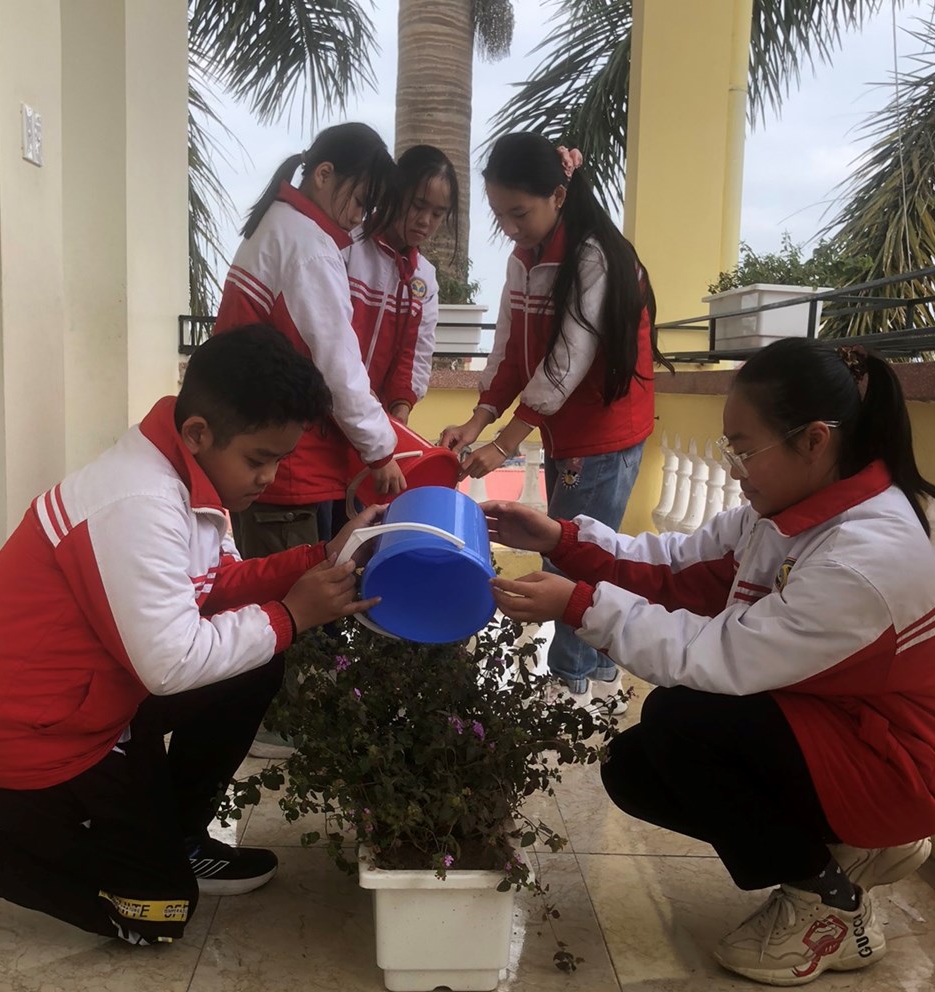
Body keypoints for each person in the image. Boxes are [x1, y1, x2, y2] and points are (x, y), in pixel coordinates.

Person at [0, 325, 386, 951]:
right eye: (258, 459)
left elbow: (213, 587)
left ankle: (176, 838)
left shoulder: (189, 477)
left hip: (90, 707)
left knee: (254, 664)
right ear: (199, 433)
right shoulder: (137, 500)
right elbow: (172, 662)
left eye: (279, 460)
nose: (269, 477)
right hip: (26, 747)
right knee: (154, 911)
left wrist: (321, 556)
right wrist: (292, 616)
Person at [483, 338, 935, 986]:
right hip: (849, 724)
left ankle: (828, 902)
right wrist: (562, 539)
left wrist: (579, 606)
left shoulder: (862, 558)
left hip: (909, 770)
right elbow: (675, 565)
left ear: (814, 441)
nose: (736, 468)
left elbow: (719, 657)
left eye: (744, 449)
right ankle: (849, 849)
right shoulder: (786, 513)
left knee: (684, 720)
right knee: (634, 766)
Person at [439, 132, 666, 714]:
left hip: (604, 436)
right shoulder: (526, 258)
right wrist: (477, 420)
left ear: (558, 196)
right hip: (568, 433)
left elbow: (565, 363)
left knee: (572, 556)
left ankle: (571, 680)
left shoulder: (595, 257)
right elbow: (511, 351)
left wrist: (503, 445)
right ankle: (600, 669)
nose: (509, 227)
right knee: (581, 549)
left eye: (519, 213)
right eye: (500, 215)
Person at [214, 122, 408, 557]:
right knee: (298, 594)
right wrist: (381, 452)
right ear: (324, 174)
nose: (359, 218)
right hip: (288, 466)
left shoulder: (280, 226)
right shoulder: (309, 247)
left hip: (263, 454)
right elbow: (338, 366)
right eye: (361, 201)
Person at [345, 144, 453, 426]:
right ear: (394, 192)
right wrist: (354, 393)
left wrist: (400, 408)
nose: (425, 221)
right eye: (418, 205)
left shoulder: (425, 279)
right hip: (321, 405)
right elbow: (326, 332)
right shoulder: (347, 246)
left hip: (373, 424)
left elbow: (415, 354)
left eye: (438, 214)